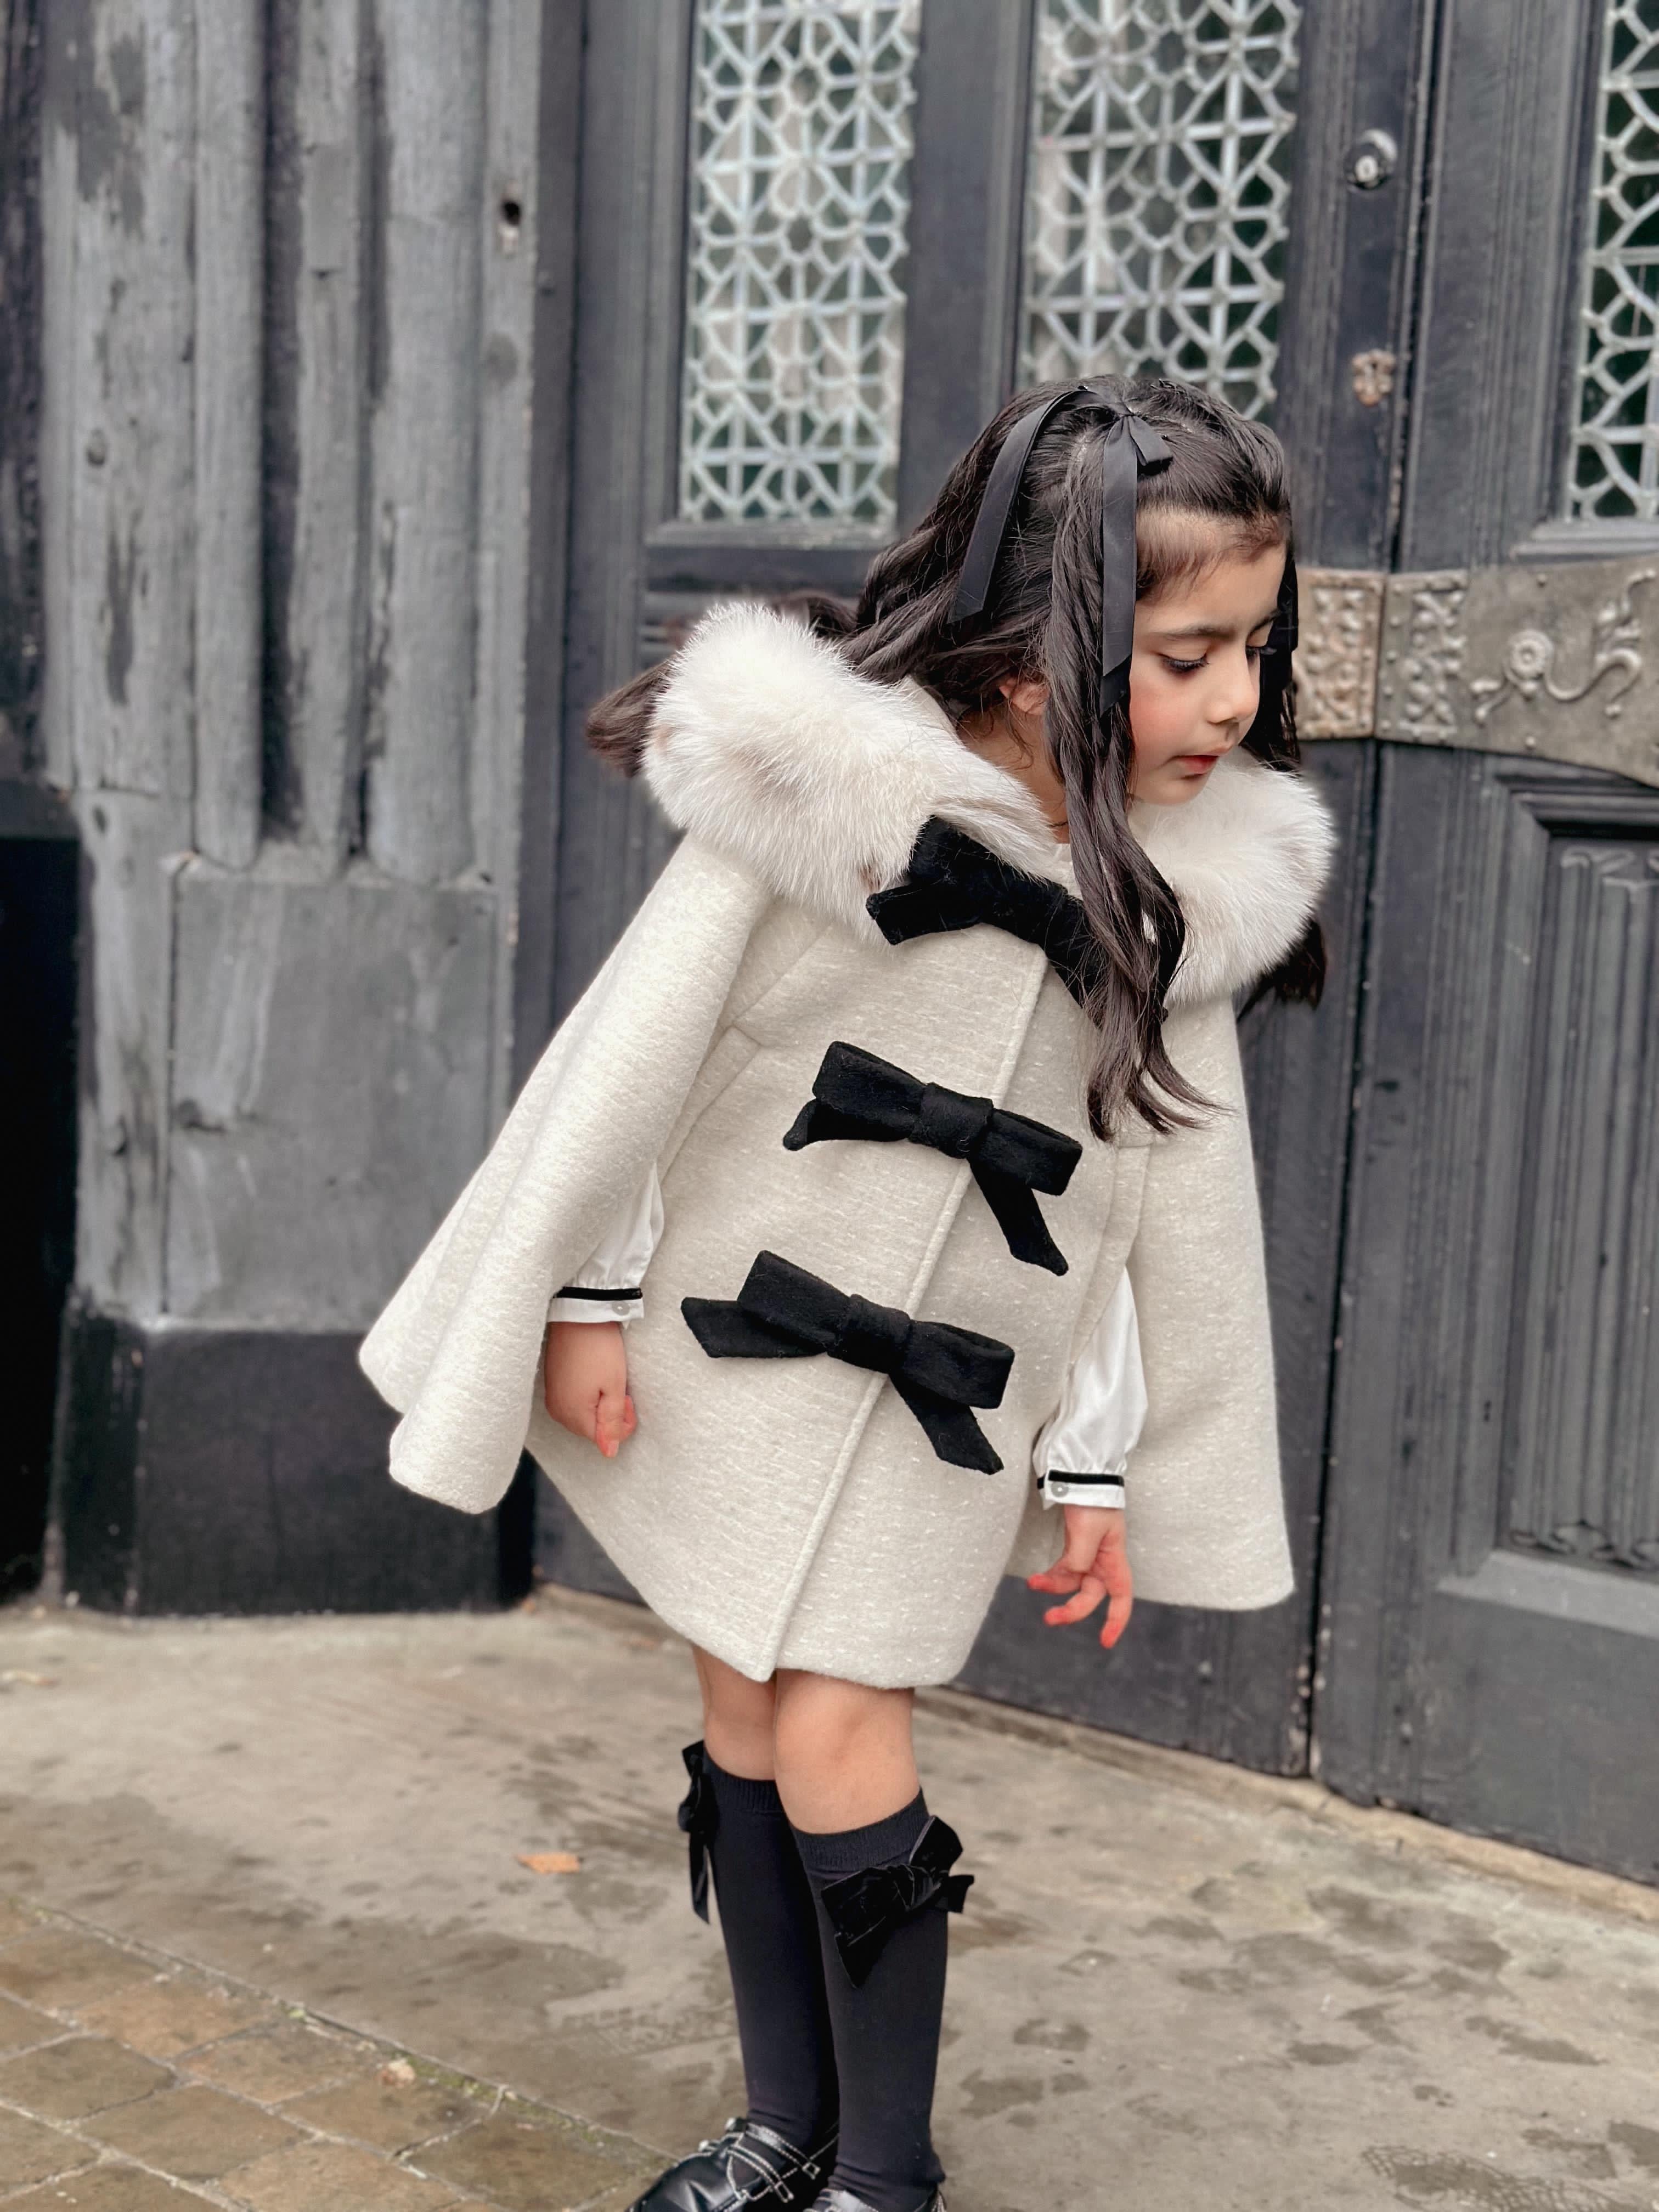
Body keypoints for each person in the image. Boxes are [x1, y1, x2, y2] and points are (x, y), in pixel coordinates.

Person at [359, 375, 1335, 2212]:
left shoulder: (1169, 905)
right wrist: (585, 1297)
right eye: (1192, 654)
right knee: (744, 1701)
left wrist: (1104, 1465)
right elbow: (637, 1067)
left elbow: (1158, 1219)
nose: (1237, 700)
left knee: (838, 1722)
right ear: (1040, 660)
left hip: (950, 1403)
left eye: (1255, 652)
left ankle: (887, 2173)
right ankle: (781, 2126)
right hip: (736, 1343)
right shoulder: (832, 807)